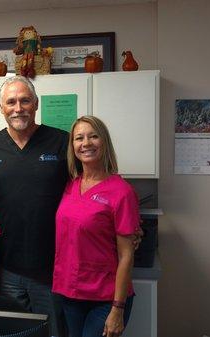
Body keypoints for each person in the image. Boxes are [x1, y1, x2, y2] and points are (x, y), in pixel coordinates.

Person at [0, 75, 68, 337]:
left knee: (53, 332)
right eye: (11, 102)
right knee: (12, 333)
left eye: (25, 100)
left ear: (36, 104)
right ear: (1, 107)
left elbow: (88, 186)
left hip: (52, 268)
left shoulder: (62, 142)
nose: (18, 108)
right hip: (6, 268)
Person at [52, 116, 142, 337]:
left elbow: (126, 256)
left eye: (93, 136)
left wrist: (118, 308)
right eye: (79, 138)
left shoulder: (121, 192)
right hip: (71, 294)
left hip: (105, 298)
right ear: (72, 146)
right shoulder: (70, 186)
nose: (86, 143)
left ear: (104, 142)